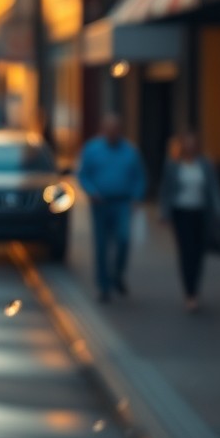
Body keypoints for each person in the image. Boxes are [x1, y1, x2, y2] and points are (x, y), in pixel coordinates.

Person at [76, 113, 147, 303]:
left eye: (115, 130)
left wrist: (136, 197)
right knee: (101, 246)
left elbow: (139, 177)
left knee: (123, 240)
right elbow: (83, 175)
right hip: (100, 203)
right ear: (103, 130)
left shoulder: (130, 151)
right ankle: (103, 286)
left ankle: (117, 273)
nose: (112, 133)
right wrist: (91, 191)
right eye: (109, 130)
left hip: (122, 202)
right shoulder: (92, 149)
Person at [157, 131, 220, 313]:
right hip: (181, 213)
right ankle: (190, 292)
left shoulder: (204, 164)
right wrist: (164, 214)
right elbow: (166, 190)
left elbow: (213, 188)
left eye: (193, 143)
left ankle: (195, 288)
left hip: (201, 213)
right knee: (186, 251)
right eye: (186, 143)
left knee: (198, 253)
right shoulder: (173, 165)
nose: (190, 146)